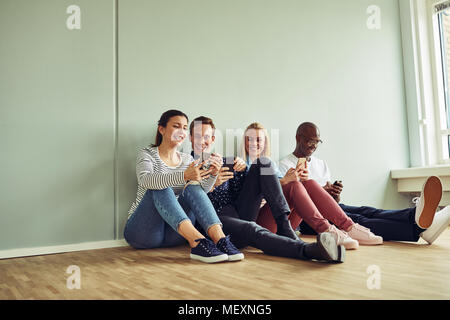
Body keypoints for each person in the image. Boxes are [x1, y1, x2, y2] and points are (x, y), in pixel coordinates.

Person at [188, 116, 346, 263]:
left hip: (239, 213)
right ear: (190, 138)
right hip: (214, 223)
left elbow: (242, 193)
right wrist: (211, 185)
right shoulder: (185, 166)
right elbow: (185, 201)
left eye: (207, 136)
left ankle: (284, 226)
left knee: (263, 163)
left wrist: (244, 172)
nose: (203, 141)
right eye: (197, 136)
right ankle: (309, 250)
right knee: (251, 228)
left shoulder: (225, 161)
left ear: (213, 139)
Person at [271, 121, 449, 244]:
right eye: (310, 141)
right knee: (359, 219)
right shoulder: (284, 164)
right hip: (307, 219)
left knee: (368, 211)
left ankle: (417, 218)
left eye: (317, 142)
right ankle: (419, 225)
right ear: (298, 138)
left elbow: (333, 202)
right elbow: (289, 198)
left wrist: (334, 192)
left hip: (329, 208)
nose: (314, 146)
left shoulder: (320, 163)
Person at [123, 109, 244, 263]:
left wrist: (213, 174)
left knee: (193, 187)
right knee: (161, 187)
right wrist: (184, 176)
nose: (182, 131)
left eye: (185, 128)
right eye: (176, 126)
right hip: (143, 233)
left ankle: (220, 240)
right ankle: (198, 242)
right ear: (162, 129)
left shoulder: (187, 159)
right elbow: (145, 181)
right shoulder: (147, 154)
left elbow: (201, 193)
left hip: (175, 234)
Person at [243, 122, 382, 250]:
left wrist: (295, 179)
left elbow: (280, 194)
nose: (255, 143)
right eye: (250, 140)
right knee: (294, 185)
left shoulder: (271, 166)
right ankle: (327, 231)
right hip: (260, 223)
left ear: (265, 143)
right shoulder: (242, 166)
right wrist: (285, 181)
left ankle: (349, 226)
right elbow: (248, 200)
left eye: (259, 139)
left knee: (307, 183)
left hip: (285, 223)